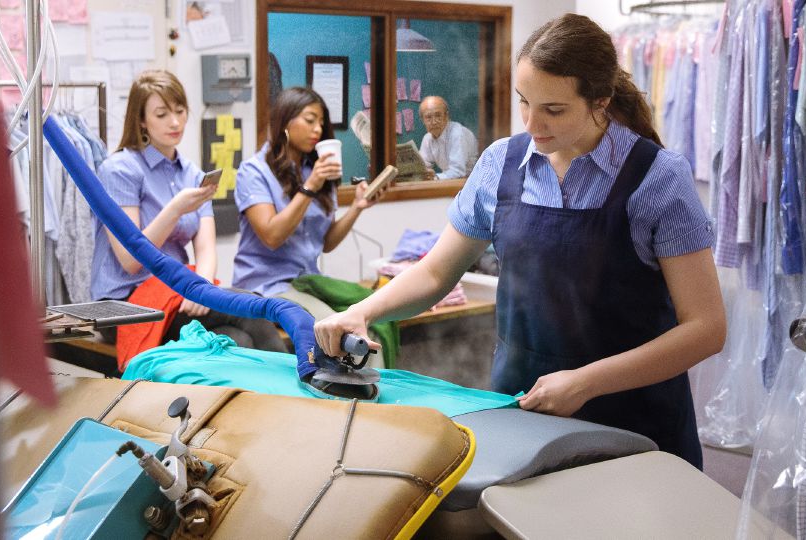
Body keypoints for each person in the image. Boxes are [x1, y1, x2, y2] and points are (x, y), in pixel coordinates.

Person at [315, 14, 725, 469]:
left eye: (554, 110)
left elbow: (705, 329)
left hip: (635, 420)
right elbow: (434, 272)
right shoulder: (499, 165)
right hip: (521, 407)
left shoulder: (658, 179)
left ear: (601, 101)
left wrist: (587, 382)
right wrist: (362, 312)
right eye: (524, 102)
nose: (532, 123)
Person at [91, 69, 286, 356]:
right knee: (250, 309)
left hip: (177, 292)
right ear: (141, 120)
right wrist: (176, 208)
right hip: (125, 304)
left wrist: (202, 285)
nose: (175, 122)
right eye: (161, 114)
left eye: (180, 111)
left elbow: (206, 249)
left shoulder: (193, 174)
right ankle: (295, 394)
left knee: (236, 341)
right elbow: (131, 260)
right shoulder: (120, 169)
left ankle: (277, 397)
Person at [232, 87, 384, 319]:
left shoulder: (315, 170)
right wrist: (310, 186)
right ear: (284, 121)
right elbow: (272, 236)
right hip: (264, 286)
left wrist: (356, 207)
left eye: (321, 122)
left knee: (372, 314)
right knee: (335, 325)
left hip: (308, 282)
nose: (318, 129)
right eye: (310, 120)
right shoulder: (254, 171)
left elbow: (326, 243)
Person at [418, 96, 479, 180]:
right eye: (428, 117)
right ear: (423, 120)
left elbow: (458, 172)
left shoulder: (457, 133)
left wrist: (435, 177)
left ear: (446, 116)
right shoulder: (427, 138)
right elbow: (421, 166)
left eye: (438, 115)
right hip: (450, 183)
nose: (434, 122)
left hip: (471, 182)